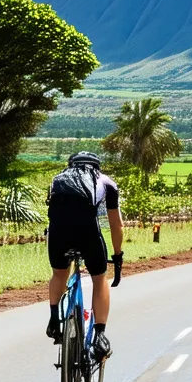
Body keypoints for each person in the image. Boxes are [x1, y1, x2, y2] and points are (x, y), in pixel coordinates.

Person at [45, 152, 124, 360]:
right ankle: (99, 335)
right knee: (99, 279)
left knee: (59, 275)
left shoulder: (57, 180)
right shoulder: (106, 181)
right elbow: (116, 225)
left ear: (70, 165)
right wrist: (117, 255)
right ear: (97, 167)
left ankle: (55, 320)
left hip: (58, 234)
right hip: (88, 233)